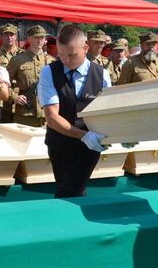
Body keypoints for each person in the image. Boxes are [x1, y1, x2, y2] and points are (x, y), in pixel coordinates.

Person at [37, 24, 111, 198]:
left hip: (89, 147)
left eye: (71, 55)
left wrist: (117, 134)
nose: (65, 60)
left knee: (68, 191)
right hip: (59, 144)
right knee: (70, 189)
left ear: (85, 48)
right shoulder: (49, 72)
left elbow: (107, 111)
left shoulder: (101, 74)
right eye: (61, 54)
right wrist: (84, 136)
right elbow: (52, 117)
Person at [5, 25, 54, 127]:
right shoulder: (17, 60)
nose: (39, 40)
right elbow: (4, 83)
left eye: (42, 37)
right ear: (29, 39)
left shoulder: (51, 61)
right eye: (36, 37)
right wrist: (14, 96)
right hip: (25, 111)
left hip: (47, 111)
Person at [0, 24, 23, 123]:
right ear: (1, 36)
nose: (9, 37)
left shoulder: (23, 55)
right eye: (6, 35)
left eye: (12, 34)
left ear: (16, 36)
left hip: (20, 99)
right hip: (2, 99)